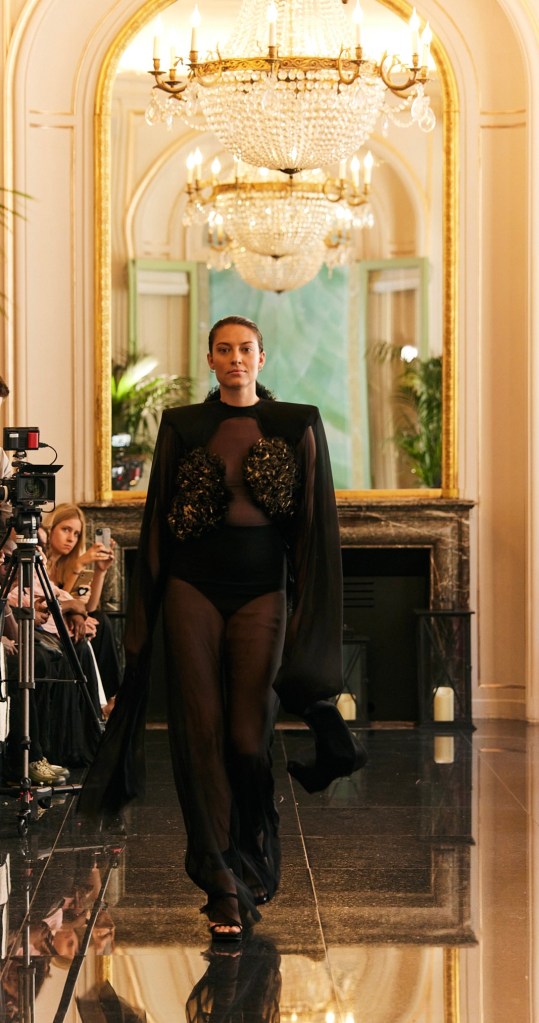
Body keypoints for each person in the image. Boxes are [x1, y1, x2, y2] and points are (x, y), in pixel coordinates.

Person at [79, 315, 366, 942]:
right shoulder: (183, 424)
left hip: (263, 590)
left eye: (245, 349)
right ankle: (221, 884)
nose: (235, 358)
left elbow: (313, 524)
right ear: (210, 359)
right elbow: (159, 519)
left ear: (262, 357)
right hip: (192, 590)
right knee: (200, 736)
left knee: (246, 739)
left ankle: (250, 855)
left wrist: (308, 616)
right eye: (224, 349)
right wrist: (143, 620)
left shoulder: (297, 422)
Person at [43, 503, 121, 707]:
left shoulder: (66, 564)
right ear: (51, 528)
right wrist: (78, 565)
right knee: (99, 623)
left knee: (100, 620)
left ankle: (111, 698)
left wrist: (101, 570)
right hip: (49, 624)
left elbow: (90, 607)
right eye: (66, 530)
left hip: (68, 622)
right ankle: (106, 702)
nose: (71, 538)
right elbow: (61, 604)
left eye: (76, 534)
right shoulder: (40, 562)